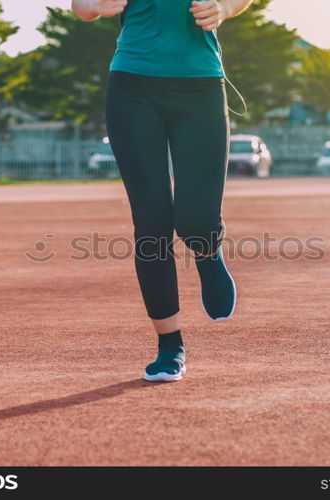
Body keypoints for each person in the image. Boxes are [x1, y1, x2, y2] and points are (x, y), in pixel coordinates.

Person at [71, 0, 253, 382]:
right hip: (133, 87)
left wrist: (225, 8)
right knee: (151, 222)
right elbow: (81, 6)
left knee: (195, 219)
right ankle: (170, 345)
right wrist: (96, 7)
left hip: (201, 86)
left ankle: (207, 251)